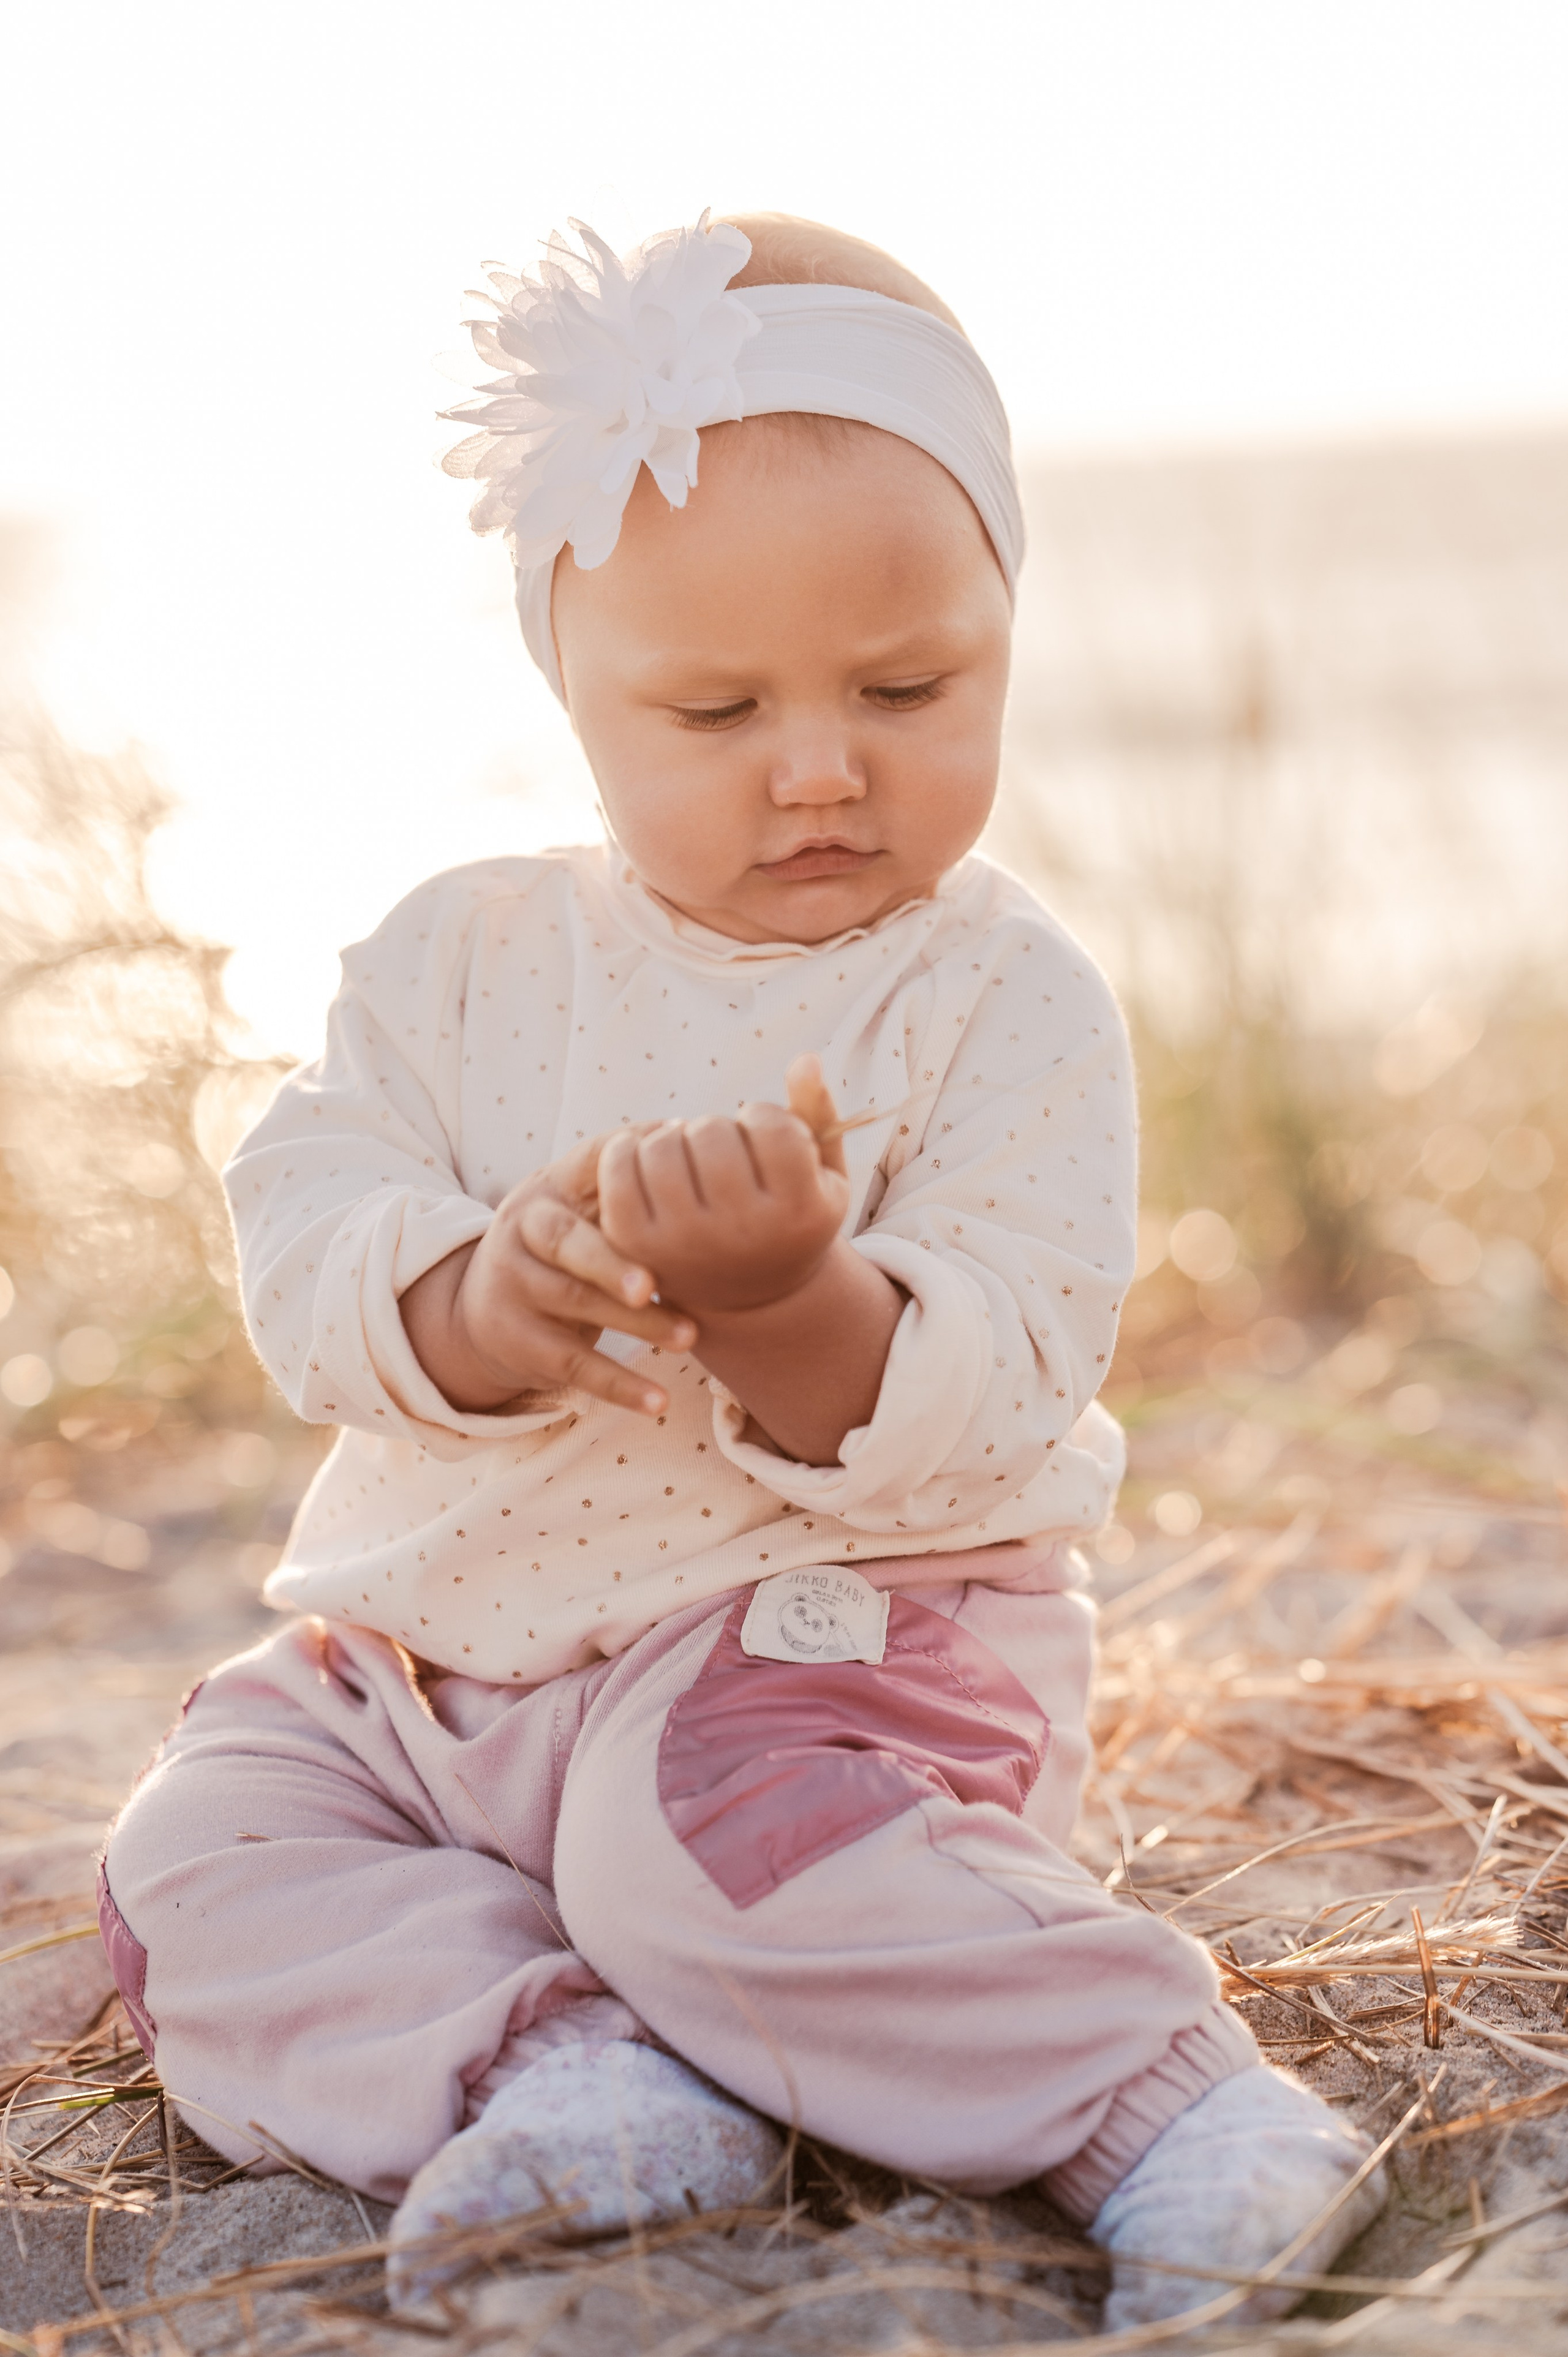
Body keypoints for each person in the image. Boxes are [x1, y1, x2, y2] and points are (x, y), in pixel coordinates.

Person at [98, 211, 1385, 2326]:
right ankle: (571, 2074)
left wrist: (798, 1303)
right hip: (428, 1677)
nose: (818, 766)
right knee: (201, 1850)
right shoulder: (457, 958)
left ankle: (1161, 2100)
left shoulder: (996, 998)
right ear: (576, 690)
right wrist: (479, 1303)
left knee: (697, 1846)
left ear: (1004, 635)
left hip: (820, 1666)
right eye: (715, 707)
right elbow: (308, 1223)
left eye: (909, 689)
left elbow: (1018, 1362)